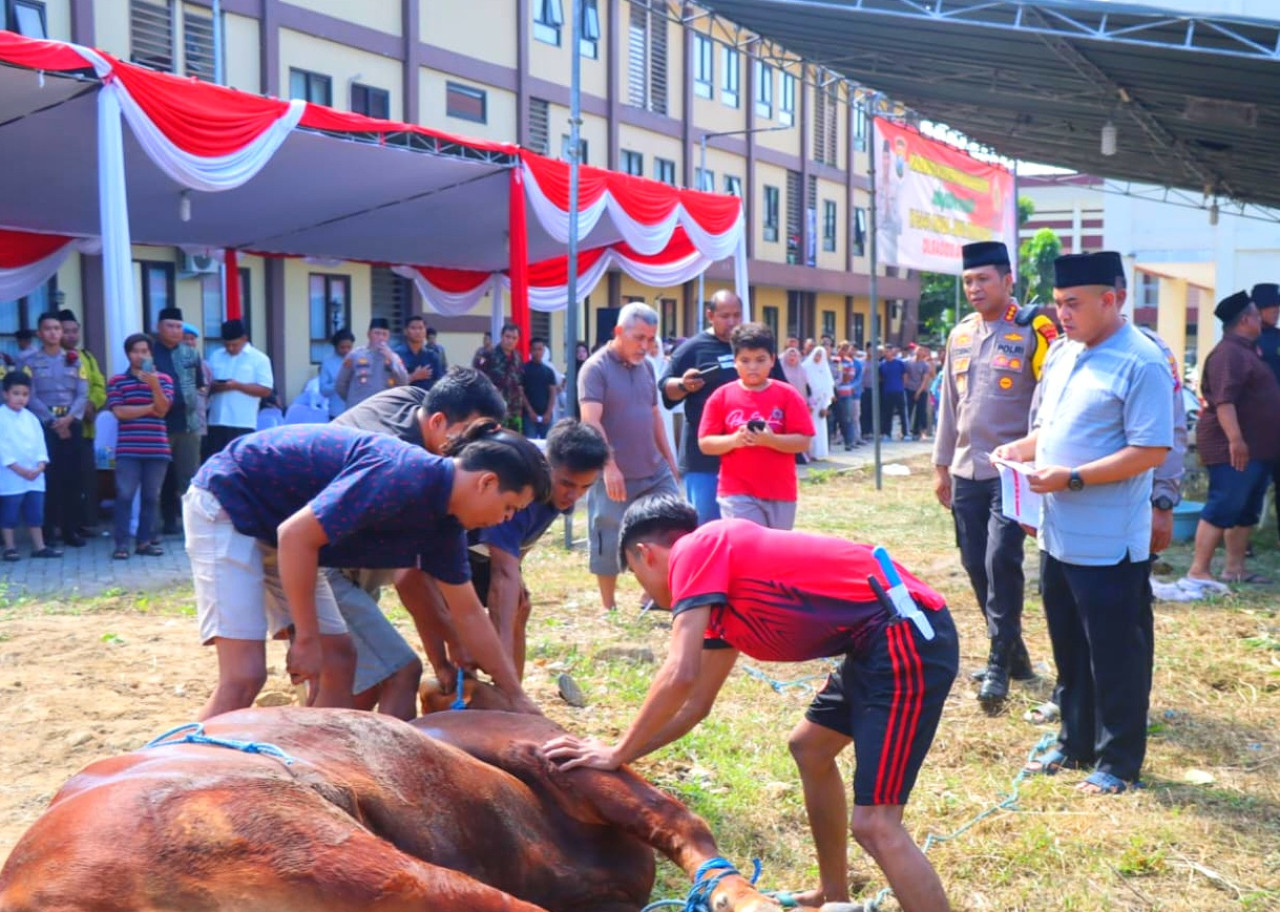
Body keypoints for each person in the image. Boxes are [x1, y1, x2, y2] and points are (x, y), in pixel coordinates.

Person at [542, 495, 959, 912]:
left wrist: (617, 750)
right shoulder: (720, 599)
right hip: (874, 643)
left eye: (635, 577)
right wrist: (620, 758)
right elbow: (695, 705)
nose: (647, 594)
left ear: (644, 554)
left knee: (876, 825)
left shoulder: (697, 548)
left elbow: (680, 672)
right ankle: (833, 896)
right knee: (810, 747)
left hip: (903, 635)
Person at [184, 420, 547, 720]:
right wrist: (306, 638)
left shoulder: (447, 525)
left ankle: (316, 769)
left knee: (339, 660)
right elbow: (295, 536)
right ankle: (160, 775)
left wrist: (515, 696)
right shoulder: (403, 475)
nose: (506, 519)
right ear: (486, 483)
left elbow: (468, 613)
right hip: (230, 501)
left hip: (279, 530)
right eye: (510, 507)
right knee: (244, 676)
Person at [994, 251, 1172, 795]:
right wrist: (1019, 450)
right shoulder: (1066, 353)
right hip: (1058, 534)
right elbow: (1049, 429)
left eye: (1073, 304)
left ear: (1111, 300)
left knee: (1116, 654)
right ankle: (1075, 743)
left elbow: (1149, 450)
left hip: (1109, 544)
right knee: (1069, 647)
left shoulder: (1141, 361)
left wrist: (1072, 477)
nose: (1062, 315)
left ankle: (1119, 763)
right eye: (1058, 303)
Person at [932, 240, 1058, 707]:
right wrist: (941, 465)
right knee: (973, 562)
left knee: (1001, 559)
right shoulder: (960, 334)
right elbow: (948, 403)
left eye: (984, 279)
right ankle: (1016, 651)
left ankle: (998, 664)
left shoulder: (1033, 330)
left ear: (1008, 281)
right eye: (968, 281)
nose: (975, 288)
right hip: (967, 469)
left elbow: (1049, 401)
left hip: (1013, 471)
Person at [467, 419, 608, 678]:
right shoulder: (521, 491)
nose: (574, 495)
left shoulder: (558, 495)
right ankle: (492, 686)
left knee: (520, 605)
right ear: (546, 464)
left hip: (486, 554)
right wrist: (501, 652)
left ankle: (511, 696)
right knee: (469, 624)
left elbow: (520, 549)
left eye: (585, 487)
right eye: (567, 483)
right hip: (452, 548)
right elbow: (503, 573)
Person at [579, 302, 681, 612]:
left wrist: (670, 461)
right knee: (607, 534)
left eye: (651, 339)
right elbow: (590, 420)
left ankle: (653, 596)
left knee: (673, 524)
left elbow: (654, 417)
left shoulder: (647, 366)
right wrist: (609, 465)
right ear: (619, 332)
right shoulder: (595, 369)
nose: (646, 346)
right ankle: (609, 606)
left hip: (652, 468)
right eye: (639, 338)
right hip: (614, 471)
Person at [1181, 290, 1280, 592]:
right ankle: (1199, 570)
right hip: (1233, 448)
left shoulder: (1249, 350)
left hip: (1257, 447)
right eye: (1255, 314)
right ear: (1246, 320)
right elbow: (1224, 401)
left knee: (1246, 508)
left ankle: (1234, 568)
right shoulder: (1229, 354)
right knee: (1225, 503)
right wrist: (1236, 439)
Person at [697, 323, 814, 530]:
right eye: (745, 360)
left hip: (780, 492)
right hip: (736, 491)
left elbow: (803, 441)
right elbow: (705, 443)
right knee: (747, 549)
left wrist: (771, 440)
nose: (752, 367)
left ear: (772, 360)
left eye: (760, 360)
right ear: (735, 362)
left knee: (775, 555)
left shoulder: (788, 395)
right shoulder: (721, 397)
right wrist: (734, 440)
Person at [660, 291, 746, 525]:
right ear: (710, 315)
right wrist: (684, 385)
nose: (732, 322)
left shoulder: (751, 346)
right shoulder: (693, 348)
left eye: (737, 315)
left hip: (747, 457)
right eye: (725, 316)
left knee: (743, 530)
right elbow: (666, 389)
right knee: (707, 526)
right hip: (704, 458)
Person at [105, 333, 174, 560]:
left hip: (157, 448)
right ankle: (121, 544)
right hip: (128, 449)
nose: (140, 355)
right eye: (135, 351)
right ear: (128, 354)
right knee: (124, 495)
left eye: (144, 351)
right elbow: (120, 412)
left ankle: (145, 541)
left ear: (150, 353)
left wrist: (154, 386)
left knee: (151, 497)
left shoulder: (163, 380)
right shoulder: (116, 382)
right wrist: (149, 407)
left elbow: (163, 409)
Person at [24, 311, 88, 548]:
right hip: (45, 426)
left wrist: (69, 418)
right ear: (40, 333)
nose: (53, 332)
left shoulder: (74, 359)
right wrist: (53, 421)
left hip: (71, 423)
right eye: (48, 328)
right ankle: (48, 530)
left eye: (57, 328)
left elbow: (82, 393)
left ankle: (71, 529)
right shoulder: (30, 362)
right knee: (48, 478)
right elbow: (30, 396)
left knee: (72, 477)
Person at [152, 308, 205, 536]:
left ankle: (192, 527)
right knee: (159, 479)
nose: (174, 331)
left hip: (188, 425)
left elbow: (199, 385)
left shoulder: (191, 354)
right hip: (158, 425)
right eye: (169, 326)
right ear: (159, 327)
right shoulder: (149, 354)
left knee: (189, 478)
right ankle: (156, 526)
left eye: (178, 326)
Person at [0, 371, 60, 560]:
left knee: (35, 513)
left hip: (34, 475)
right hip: (11, 474)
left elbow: (40, 444)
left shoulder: (32, 418)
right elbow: (3, 449)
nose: (20, 398)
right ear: (5, 394)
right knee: (9, 512)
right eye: (16, 393)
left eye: (25, 394)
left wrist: (40, 465)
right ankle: (10, 547)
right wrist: (19, 469)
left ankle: (39, 546)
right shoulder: (1, 417)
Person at [57, 309, 105, 533]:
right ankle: (57, 525)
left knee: (83, 479)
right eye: (65, 331)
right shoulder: (44, 359)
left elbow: (98, 385)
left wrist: (92, 403)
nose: (71, 335)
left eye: (74, 331)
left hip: (84, 430)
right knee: (58, 479)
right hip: (56, 428)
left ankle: (82, 523)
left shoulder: (86, 356)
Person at [205, 319, 273, 457]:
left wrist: (238, 386)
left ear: (244, 339)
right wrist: (218, 386)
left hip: (242, 421)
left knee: (238, 462)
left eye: (234, 345)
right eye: (227, 345)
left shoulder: (259, 358)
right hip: (216, 420)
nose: (230, 348)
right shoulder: (216, 356)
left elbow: (266, 389)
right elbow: (207, 384)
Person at [1251, 283, 1280, 546]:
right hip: (1256, 426)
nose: (1277, 311)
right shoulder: (1248, 341)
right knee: (1250, 485)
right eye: (1272, 307)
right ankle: (1241, 544)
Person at [336, 317, 409, 411]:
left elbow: (404, 382)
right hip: (358, 408)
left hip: (384, 409)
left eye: (384, 334)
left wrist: (391, 360)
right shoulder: (355, 355)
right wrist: (353, 399)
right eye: (377, 333)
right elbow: (340, 384)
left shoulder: (394, 357)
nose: (380, 337)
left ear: (388, 337)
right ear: (369, 334)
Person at [474, 322, 525, 432]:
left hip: (514, 410)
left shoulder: (518, 357)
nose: (510, 341)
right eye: (507, 337)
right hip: (494, 409)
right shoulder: (488, 355)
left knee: (514, 442)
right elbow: (477, 379)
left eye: (514, 338)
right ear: (501, 336)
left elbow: (519, 382)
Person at [521, 336, 558, 439]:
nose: (537, 352)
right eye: (534, 349)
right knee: (529, 444)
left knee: (548, 446)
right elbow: (521, 392)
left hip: (546, 416)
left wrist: (548, 412)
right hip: (529, 416)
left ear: (544, 350)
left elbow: (553, 393)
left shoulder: (549, 371)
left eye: (540, 349)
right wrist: (530, 411)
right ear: (530, 350)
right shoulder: (523, 369)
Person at [801, 345, 834, 461]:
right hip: (809, 403)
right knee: (810, 426)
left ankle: (819, 453)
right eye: (817, 354)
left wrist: (826, 405)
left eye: (821, 355)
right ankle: (809, 452)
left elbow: (828, 387)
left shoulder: (824, 368)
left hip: (821, 403)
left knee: (820, 427)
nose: (818, 357)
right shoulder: (805, 367)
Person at [397, 315, 443, 392]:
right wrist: (414, 376)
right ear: (405, 331)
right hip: (403, 399)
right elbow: (392, 384)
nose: (417, 331)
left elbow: (438, 382)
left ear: (425, 332)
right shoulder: (397, 354)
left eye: (421, 328)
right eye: (413, 328)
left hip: (425, 400)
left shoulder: (432, 355)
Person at [319, 328, 355, 419]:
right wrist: (339, 384)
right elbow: (323, 390)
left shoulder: (357, 359)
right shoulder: (328, 362)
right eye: (342, 347)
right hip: (336, 412)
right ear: (335, 347)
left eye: (349, 347)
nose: (346, 350)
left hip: (355, 411)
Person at [878, 345, 909, 440]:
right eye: (885, 352)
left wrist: (903, 387)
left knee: (902, 413)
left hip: (899, 391)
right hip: (887, 392)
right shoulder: (882, 364)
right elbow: (881, 378)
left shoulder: (900, 363)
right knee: (888, 414)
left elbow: (905, 376)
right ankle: (887, 434)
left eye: (888, 351)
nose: (886, 353)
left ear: (892, 352)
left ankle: (906, 433)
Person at [905, 346, 935, 441]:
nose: (919, 352)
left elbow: (925, 380)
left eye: (921, 351)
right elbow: (906, 376)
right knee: (908, 410)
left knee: (921, 411)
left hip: (922, 390)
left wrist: (919, 392)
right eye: (918, 350)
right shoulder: (908, 363)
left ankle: (921, 432)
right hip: (909, 389)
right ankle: (906, 430)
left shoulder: (925, 365)